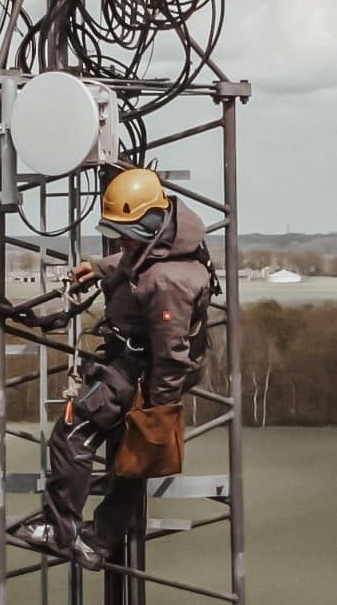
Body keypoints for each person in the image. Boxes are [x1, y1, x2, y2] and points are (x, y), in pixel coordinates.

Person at [18, 167, 215, 569]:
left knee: (72, 435)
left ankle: (61, 528)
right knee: (135, 459)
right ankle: (100, 540)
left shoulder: (168, 282)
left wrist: (157, 414)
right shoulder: (174, 236)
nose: (121, 240)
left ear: (147, 222)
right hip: (143, 363)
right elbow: (139, 256)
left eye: (125, 232)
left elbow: (171, 355)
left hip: (142, 370)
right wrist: (104, 267)